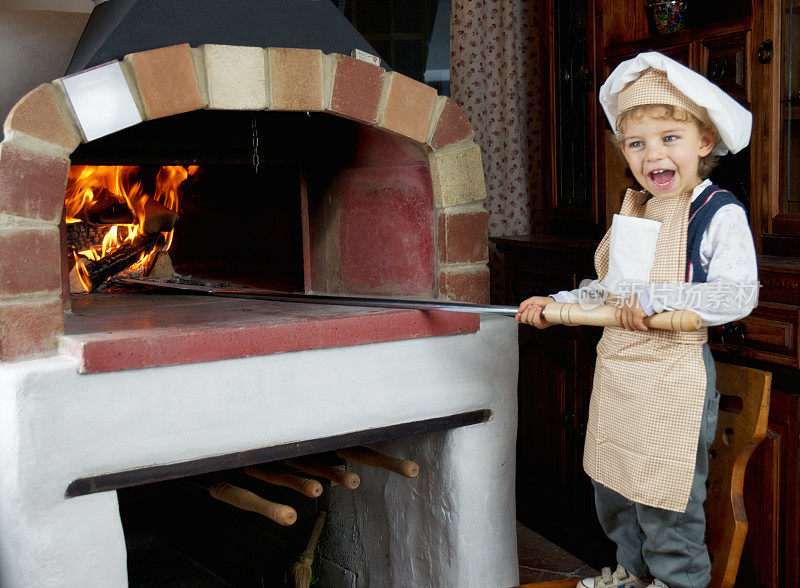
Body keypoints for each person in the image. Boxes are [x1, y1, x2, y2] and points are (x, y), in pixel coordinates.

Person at [516, 52, 758, 588]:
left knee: (665, 500)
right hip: (622, 373)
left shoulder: (719, 213)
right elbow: (610, 290)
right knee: (617, 492)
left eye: (669, 137)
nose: (654, 155)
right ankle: (630, 576)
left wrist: (656, 299)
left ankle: (677, 583)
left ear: (704, 142)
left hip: (675, 379)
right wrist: (557, 304)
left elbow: (737, 295)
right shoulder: (636, 210)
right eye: (637, 143)